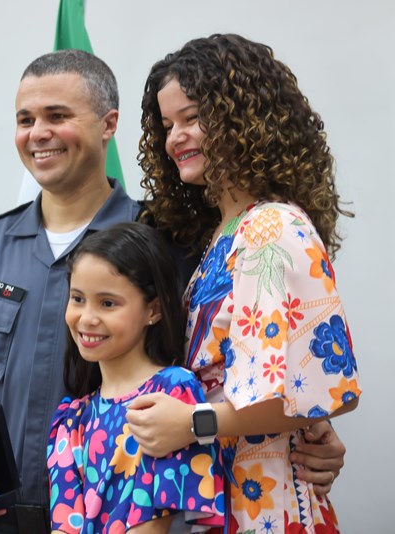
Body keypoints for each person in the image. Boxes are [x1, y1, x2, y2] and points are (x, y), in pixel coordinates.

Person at [0, 48, 348, 534]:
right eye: (26, 118)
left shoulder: (173, 242)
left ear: (109, 124)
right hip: (11, 517)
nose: (38, 132)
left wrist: (309, 424)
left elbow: (288, 374)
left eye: (58, 116)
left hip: (170, 510)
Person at [128, 33, 359, 533]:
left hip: (267, 501)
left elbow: (311, 393)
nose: (175, 138)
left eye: (192, 118)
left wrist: (192, 424)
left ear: (243, 119)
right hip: (232, 492)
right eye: (168, 125)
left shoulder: (272, 227)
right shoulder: (226, 232)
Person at [48, 222, 224, 533]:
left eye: (108, 303)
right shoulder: (72, 419)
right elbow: (65, 525)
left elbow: (154, 525)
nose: (87, 318)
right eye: (77, 299)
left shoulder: (172, 396)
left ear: (153, 310)